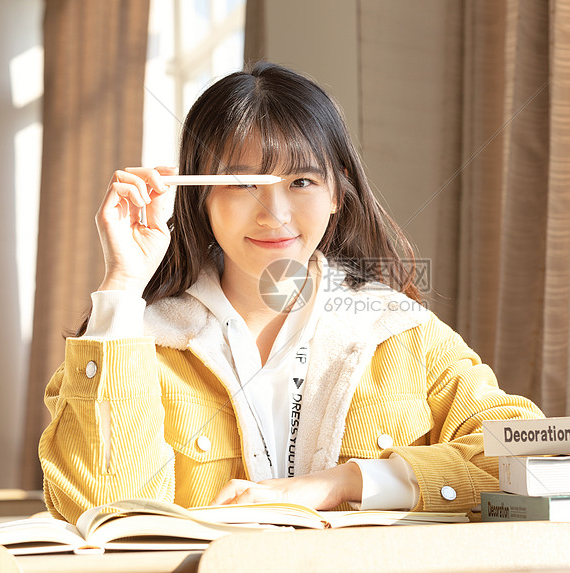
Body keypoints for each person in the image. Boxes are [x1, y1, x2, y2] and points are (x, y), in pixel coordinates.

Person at [39, 61, 544, 525]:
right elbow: (102, 513)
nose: (274, 214)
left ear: (336, 194)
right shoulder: (134, 342)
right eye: (243, 185)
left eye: (301, 181)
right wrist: (124, 287)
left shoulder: (401, 333)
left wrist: (333, 485)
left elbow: (525, 460)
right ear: (201, 198)